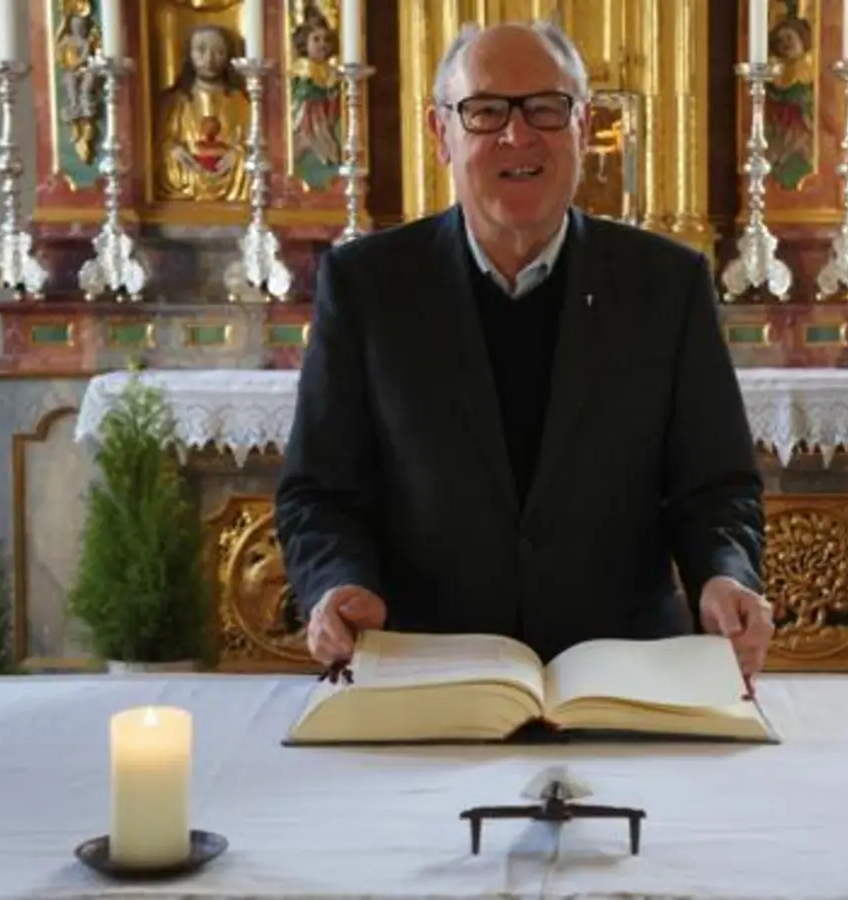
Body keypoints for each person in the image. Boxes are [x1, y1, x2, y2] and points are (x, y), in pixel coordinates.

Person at [273, 21, 774, 680]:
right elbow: (320, 493)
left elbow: (716, 489)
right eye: (484, 112)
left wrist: (723, 576)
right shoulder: (368, 286)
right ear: (440, 133)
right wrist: (336, 585)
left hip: (623, 677)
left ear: (583, 123)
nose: (518, 136)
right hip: (424, 672)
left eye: (545, 107)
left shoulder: (666, 284)